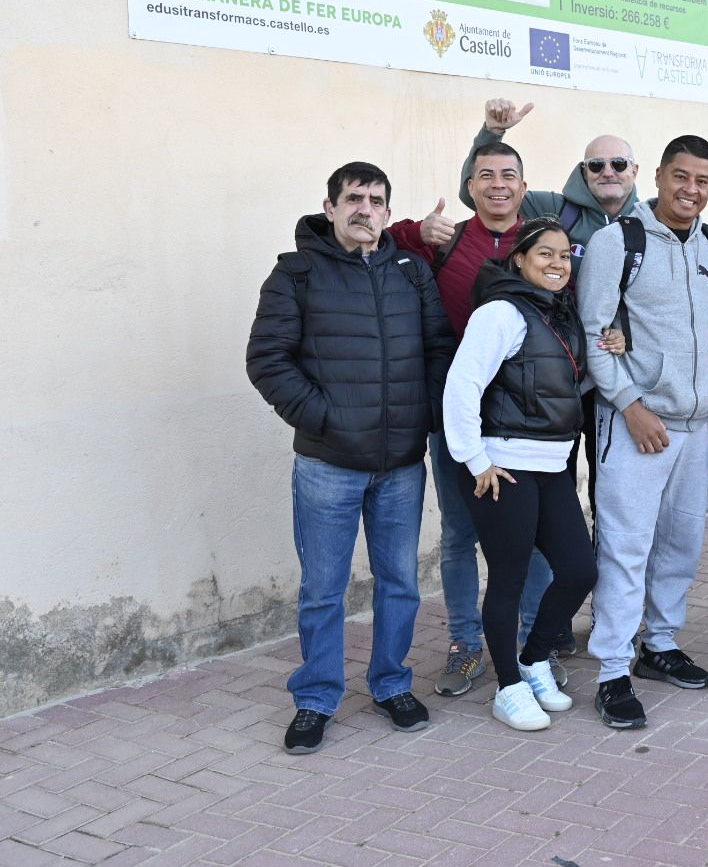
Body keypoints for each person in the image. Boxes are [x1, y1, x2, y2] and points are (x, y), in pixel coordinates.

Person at [393, 98, 640, 698]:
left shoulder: (551, 235)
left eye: (509, 176)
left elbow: (599, 292)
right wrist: (413, 228)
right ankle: (466, 647)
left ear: (527, 189)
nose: (497, 186)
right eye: (485, 176)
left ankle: (532, 643)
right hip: (468, 423)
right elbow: (386, 239)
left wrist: (616, 332)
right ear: (469, 186)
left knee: (537, 546)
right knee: (459, 537)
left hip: (541, 429)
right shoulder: (448, 240)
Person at [247, 162, 454, 754]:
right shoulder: (297, 273)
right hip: (327, 464)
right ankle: (315, 698)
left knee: (400, 583)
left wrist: (425, 416)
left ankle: (390, 684)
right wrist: (325, 419)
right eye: (354, 198)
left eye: (377, 200)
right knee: (322, 588)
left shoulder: (411, 271)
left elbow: (439, 347)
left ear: (389, 212)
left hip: (400, 465)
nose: (366, 209)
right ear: (331, 206)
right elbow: (267, 359)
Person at [577, 136, 708, 729]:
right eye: (680, 177)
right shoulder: (619, 242)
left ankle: (658, 645)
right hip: (636, 424)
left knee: (681, 546)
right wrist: (631, 405)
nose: (691, 190)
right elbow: (593, 333)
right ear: (657, 177)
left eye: (703, 181)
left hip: (694, 426)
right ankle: (612, 669)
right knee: (626, 546)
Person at [441, 217, 601, 730]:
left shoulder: (561, 313)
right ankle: (508, 687)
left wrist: (612, 343)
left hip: (552, 468)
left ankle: (532, 661)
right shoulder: (501, 313)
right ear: (519, 261)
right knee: (508, 580)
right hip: (503, 468)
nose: (556, 265)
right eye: (544, 256)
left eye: (563, 256)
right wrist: (476, 460)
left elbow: (563, 382)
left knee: (578, 569)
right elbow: (461, 385)